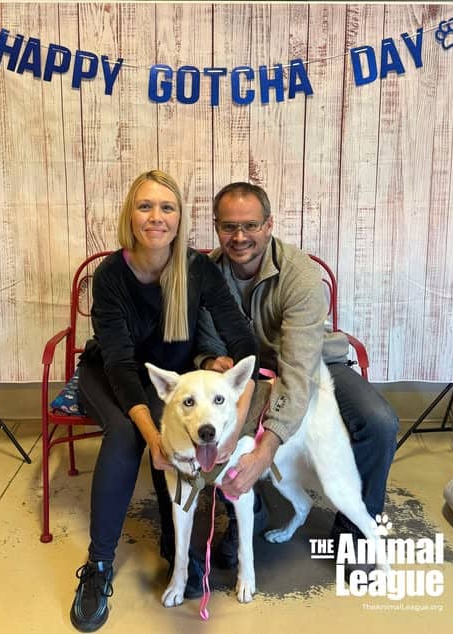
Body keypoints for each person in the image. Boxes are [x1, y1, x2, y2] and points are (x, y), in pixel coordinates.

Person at [70, 171, 259, 632]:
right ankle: (97, 568)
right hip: (114, 376)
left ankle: (181, 552)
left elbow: (244, 342)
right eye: (145, 206)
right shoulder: (112, 276)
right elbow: (119, 365)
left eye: (167, 207)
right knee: (126, 438)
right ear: (129, 215)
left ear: (180, 218)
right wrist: (155, 437)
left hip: (170, 386)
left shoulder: (197, 270)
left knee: (181, 465)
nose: (156, 217)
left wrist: (233, 424)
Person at [195, 182, 399, 571]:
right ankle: (246, 515)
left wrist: (268, 447)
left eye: (251, 225)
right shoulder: (207, 274)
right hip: (247, 373)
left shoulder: (299, 273)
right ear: (216, 226)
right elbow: (205, 341)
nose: (240, 237)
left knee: (379, 422)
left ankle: (354, 533)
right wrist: (209, 362)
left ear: (269, 224)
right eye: (229, 227)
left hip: (314, 364)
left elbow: (299, 367)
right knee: (221, 426)